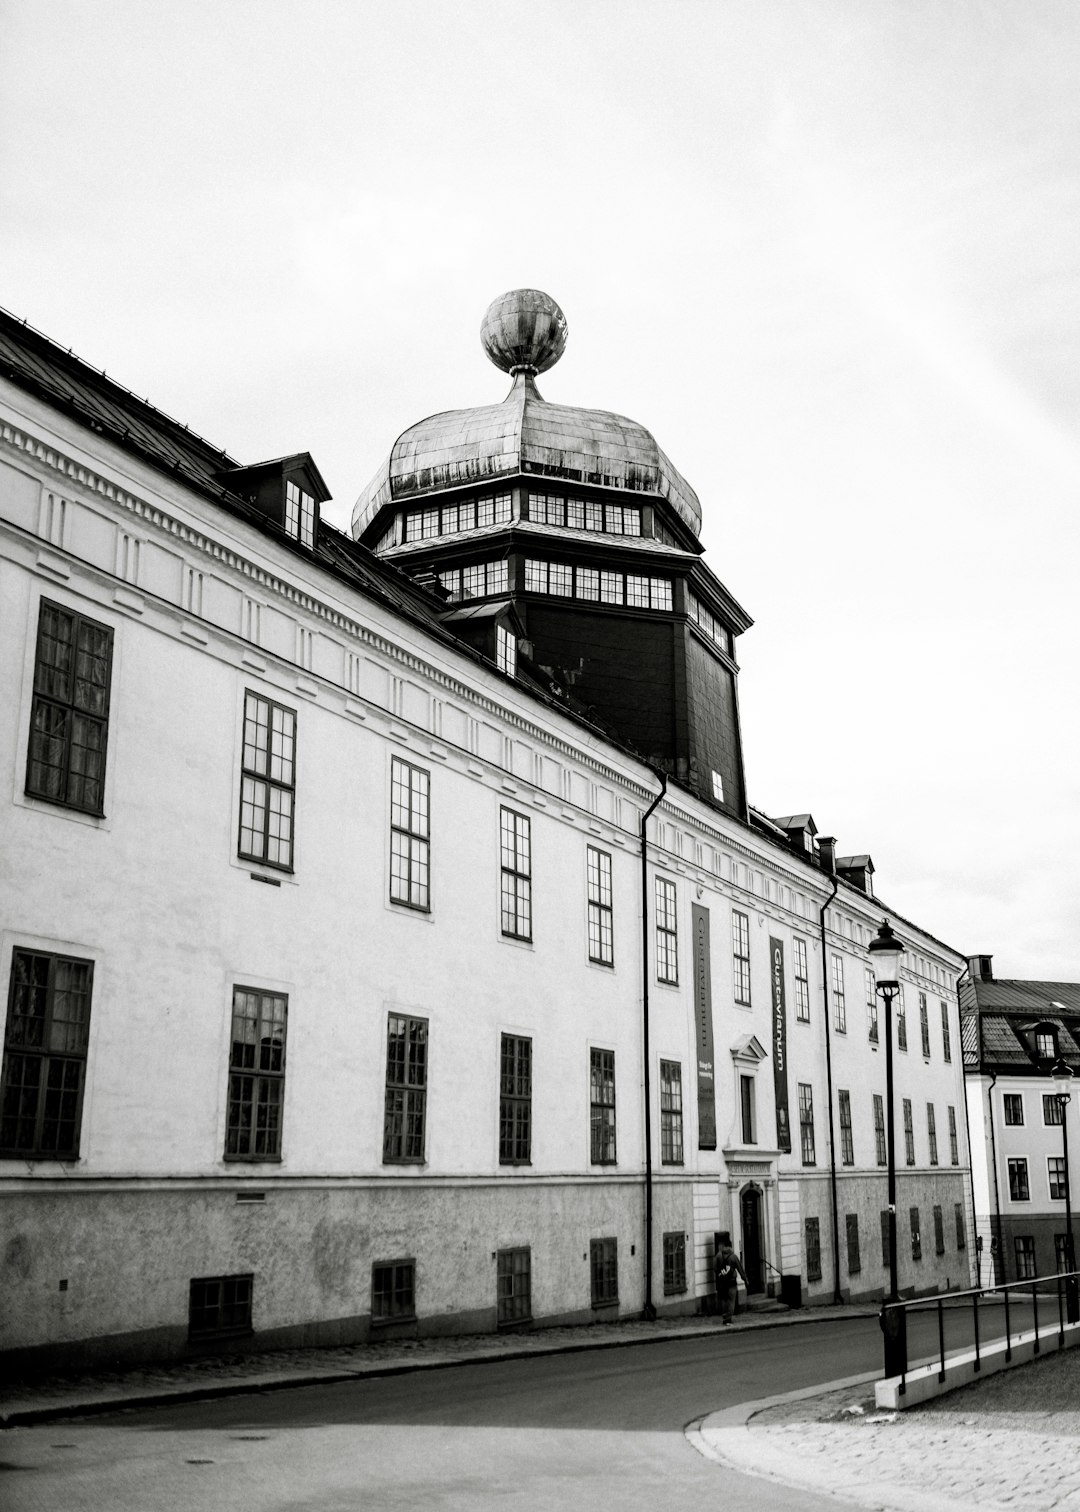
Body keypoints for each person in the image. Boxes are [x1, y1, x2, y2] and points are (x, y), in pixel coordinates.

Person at [714, 1232, 747, 1325]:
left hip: (722, 1282)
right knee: (731, 1301)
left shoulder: (718, 1255)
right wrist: (745, 1280)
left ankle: (724, 1318)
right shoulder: (733, 1256)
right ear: (730, 1246)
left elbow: (715, 1268)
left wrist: (721, 1273)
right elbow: (740, 1269)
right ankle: (729, 1319)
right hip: (732, 1282)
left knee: (724, 1300)